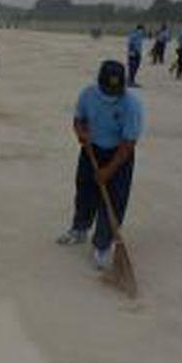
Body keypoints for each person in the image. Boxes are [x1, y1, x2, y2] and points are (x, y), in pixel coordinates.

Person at [56, 60, 144, 269]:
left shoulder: (131, 105)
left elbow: (129, 142)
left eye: (114, 91)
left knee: (113, 200)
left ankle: (103, 244)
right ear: (100, 83)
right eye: (106, 90)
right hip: (91, 150)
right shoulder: (88, 94)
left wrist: (109, 169)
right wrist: (80, 133)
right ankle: (79, 229)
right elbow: (79, 120)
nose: (110, 96)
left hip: (119, 154)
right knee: (85, 191)